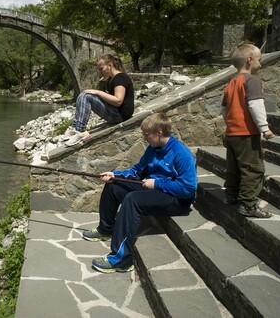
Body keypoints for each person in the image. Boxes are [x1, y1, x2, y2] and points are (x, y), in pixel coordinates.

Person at [83, 113, 197, 273]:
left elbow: (188, 188)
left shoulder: (182, 154)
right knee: (114, 186)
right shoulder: (153, 149)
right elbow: (137, 171)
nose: (144, 137)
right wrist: (115, 175)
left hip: (177, 199)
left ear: (159, 131)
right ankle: (105, 229)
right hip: (155, 189)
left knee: (133, 200)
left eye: (146, 134)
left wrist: (157, 183)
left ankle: (122, 259)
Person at [221, 43, 274, 218]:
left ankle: (231, 194)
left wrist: (230, 124)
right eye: (259, 59)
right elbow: (255, 105)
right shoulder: (252, 81)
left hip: (232, 133)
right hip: (246, 133)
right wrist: (264, 128)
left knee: (234, 166)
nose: (261, 63)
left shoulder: (230, 83)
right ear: (250, 60)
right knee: (253, 168)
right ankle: (249, 204)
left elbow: (224, 109)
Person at [65, 54, 135, 146]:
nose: (100, 72)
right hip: (116, 112)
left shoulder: (120, 78)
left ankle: (80, 131)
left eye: (101, 68)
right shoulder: (111, 79)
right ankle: (75, 128)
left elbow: (118, 101)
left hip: (121, 115)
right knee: (83, 95)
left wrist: (97, 92)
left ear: (110, 65)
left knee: (86, 96)